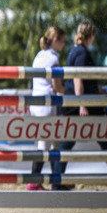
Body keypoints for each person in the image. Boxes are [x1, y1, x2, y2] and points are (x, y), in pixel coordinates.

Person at [51, 20, 107, 190]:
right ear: (91, 36)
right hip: (83, 104)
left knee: (69, 142)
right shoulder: (82, 53)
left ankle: (56, 180)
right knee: (104, 142)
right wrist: (83, 104)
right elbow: (78, 79)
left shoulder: (75, 51)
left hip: (78, 102)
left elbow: (86, 80)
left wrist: (102, 92)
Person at [26, 26, 66, 190]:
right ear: (55, 41)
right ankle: (35, 180)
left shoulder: (40, 55)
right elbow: (57, 86)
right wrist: (71, 93)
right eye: (63, 42)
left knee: (53, 143)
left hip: (36, 104)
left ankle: (55, 179)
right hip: (48, 105)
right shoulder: (53, 59)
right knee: (46, 144)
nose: (64, 45)